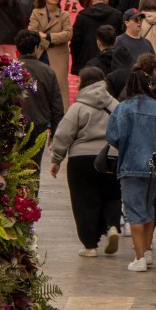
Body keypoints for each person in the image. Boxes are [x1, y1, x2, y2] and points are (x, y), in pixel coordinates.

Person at [49, 66, 121, 257]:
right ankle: (112, 225)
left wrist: (56, 159)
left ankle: (90, 245)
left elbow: (64, 134)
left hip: (81, 160)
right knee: (112, 195)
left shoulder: (78, 107)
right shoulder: (115, 104)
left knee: (84, 201)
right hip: (111, 156)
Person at [106, 68, 156, 271]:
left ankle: (139, 258)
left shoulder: (122, 108)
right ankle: (147, 251)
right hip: (155, 166)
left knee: (133, 212)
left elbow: (112, 136)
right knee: (149, 209)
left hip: (130, 165)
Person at [13, 30, 65, 157]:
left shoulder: (10, 70)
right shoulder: (47, 71)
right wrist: (54, 133)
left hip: (15, 124)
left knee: (12, 166)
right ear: (36, 48)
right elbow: (56, 105)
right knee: (34, 167)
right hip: (39, 125)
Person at [28, 0, 72, 98]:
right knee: (39, 87)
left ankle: (62, 114)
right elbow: (33, 32)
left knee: (59, 88)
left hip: (59, 56)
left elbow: (68, 34)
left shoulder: (64, 15)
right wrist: (48, 42)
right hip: (40, 54)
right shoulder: (36, 13)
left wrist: (48, 36)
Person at [70, 0, 123, 75]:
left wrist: (77, 62)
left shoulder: (82, 16)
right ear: (107, 0)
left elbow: (75, 41)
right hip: (111, 63)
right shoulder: (117, 15)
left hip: (86, 62)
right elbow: (121, 39)